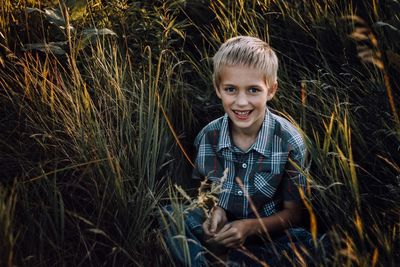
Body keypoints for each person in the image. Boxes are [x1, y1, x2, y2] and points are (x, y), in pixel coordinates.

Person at [161, 36, 321, 266]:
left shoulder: (289, 141)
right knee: (171, 215)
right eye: (231, 89)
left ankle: (230, 260)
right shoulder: (209, 137)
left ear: (272, 90)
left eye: (254, 90)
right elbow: (206, 194)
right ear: (218, 89)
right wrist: (216, 213)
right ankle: (218, 259)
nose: (242, 102)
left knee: (306, 243)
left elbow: (294, 215)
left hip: (270, 235)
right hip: (224, 231)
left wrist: (248, 227)